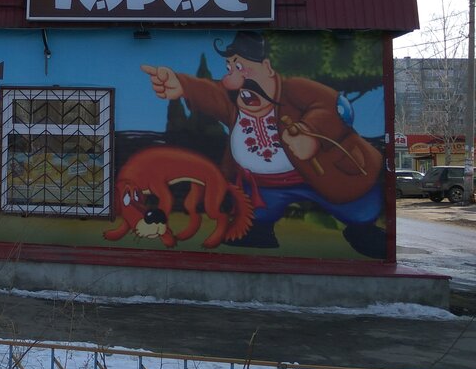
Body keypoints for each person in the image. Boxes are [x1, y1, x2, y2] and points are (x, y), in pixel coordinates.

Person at [141, 31, 386, 258]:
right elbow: (210, 91)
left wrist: (309, 133)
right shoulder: (234, 99)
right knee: (258, 212)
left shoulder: (295, 89)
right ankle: (259, 232)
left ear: (267, 67)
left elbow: (329, 105)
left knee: (357, 206)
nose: (232, 79)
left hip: (318, 175)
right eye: (229, 68)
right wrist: (182, 85)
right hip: (265, 185)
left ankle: (363, 231)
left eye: (240, 67)